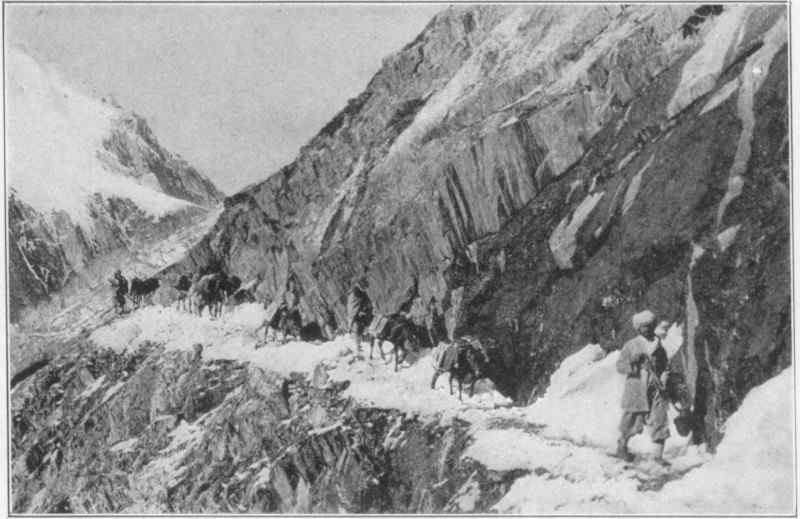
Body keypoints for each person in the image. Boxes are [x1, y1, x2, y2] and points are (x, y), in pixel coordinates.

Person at [615, 310, 671, 465]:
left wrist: (664, 379)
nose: (648, 329)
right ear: (638, 328)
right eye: (644, 326)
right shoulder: (631, 345)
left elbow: (666, 365)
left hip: (655, 389)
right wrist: (633, 363)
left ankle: (658, 457)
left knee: (660, 420)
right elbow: (620, 366)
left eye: (651, 325)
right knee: (632, 421)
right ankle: (622, 446)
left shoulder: (658, 345)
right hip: (637, 389)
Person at [347, 277, 373, 353]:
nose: (365, 288)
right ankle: (358, 346)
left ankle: (366, 338)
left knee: (365, 325)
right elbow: (354, 305)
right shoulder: (355, 292)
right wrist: (359, 312)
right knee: (357, 329)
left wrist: (367, 308)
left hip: (363, 313)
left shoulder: (361, 292)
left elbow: (365, 301)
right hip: (357, 314)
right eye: (364, 286)